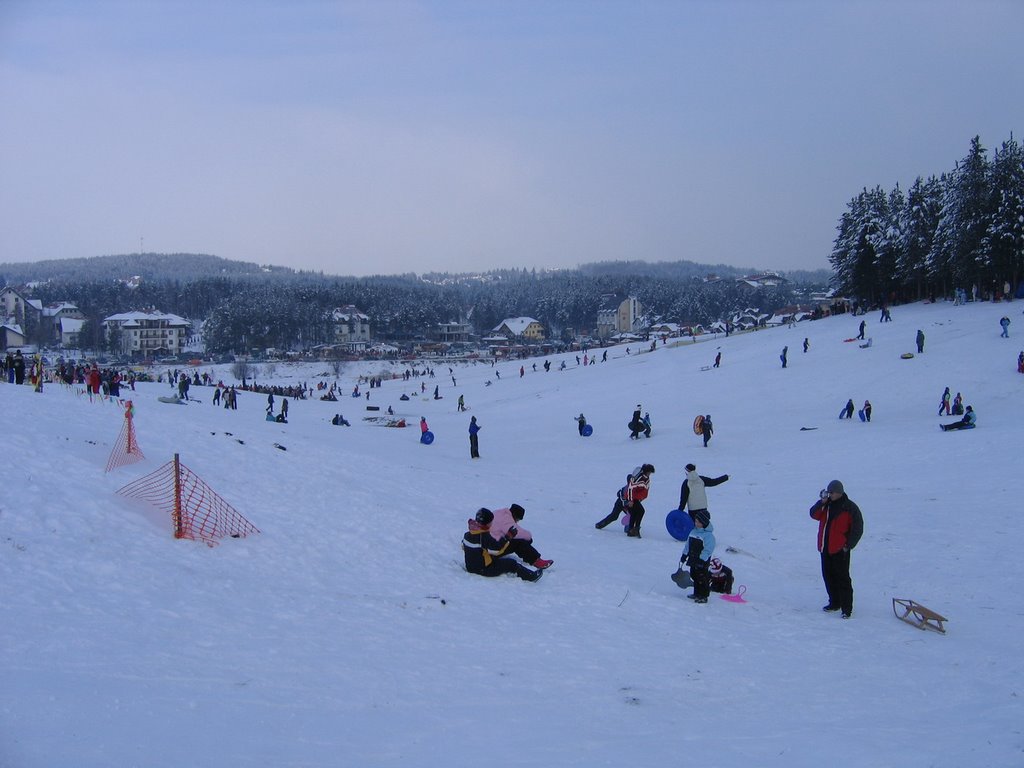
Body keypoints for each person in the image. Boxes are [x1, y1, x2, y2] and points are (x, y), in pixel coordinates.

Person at [809, 480, 863, 619]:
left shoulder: (849, 507)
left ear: (839, 492)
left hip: (840, 550)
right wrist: (821, 501)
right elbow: (813, 514)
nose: (830, 494)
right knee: (828, 576)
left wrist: (848, 545)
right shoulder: (826, 505)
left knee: (843, 578)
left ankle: (846, 608)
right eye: (829, 492)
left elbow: (858, 528)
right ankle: (834, 602)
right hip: (825, 548)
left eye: (832, 492)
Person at [462, 509, 543, 582]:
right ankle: (531, 577)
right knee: (511, 563)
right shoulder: (484, 537)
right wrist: (508, 537)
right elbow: (497, 550)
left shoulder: (468, 534)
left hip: (470, 567)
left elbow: (463, 546)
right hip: (484, 569)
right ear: (486, 524)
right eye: (491, 522)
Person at [594, 463, 655, 537]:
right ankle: (600, 525)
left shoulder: (642, 481)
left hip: (629, 502)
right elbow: (627, 493)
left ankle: (629, 529)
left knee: (633, 514)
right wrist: (630, 501)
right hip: (622, 502)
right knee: (614, 516)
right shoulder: (634, 483)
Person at [489, 504, 553, 569]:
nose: (517, 522)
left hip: (486, 546)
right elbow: (517, 532)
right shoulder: (506, 519)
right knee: (519, 543)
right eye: (518, 519)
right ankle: (536, 561)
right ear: (515, 516)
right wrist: (529, 539)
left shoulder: (498, 513)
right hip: (491, 551)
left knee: (513, 540)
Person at [677, 509, 715, 603]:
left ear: (704, 523)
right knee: (694, 575)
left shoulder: (708, 536)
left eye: (698, 522)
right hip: (693, 558)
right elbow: (688, 545)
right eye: (696, 521)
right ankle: (696, 593)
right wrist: (684, 555)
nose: (696, 523)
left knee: (702, 577)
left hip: (702, 561)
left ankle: (703, 595)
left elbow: (708, 549)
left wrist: (702, 559)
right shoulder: (693, 532)